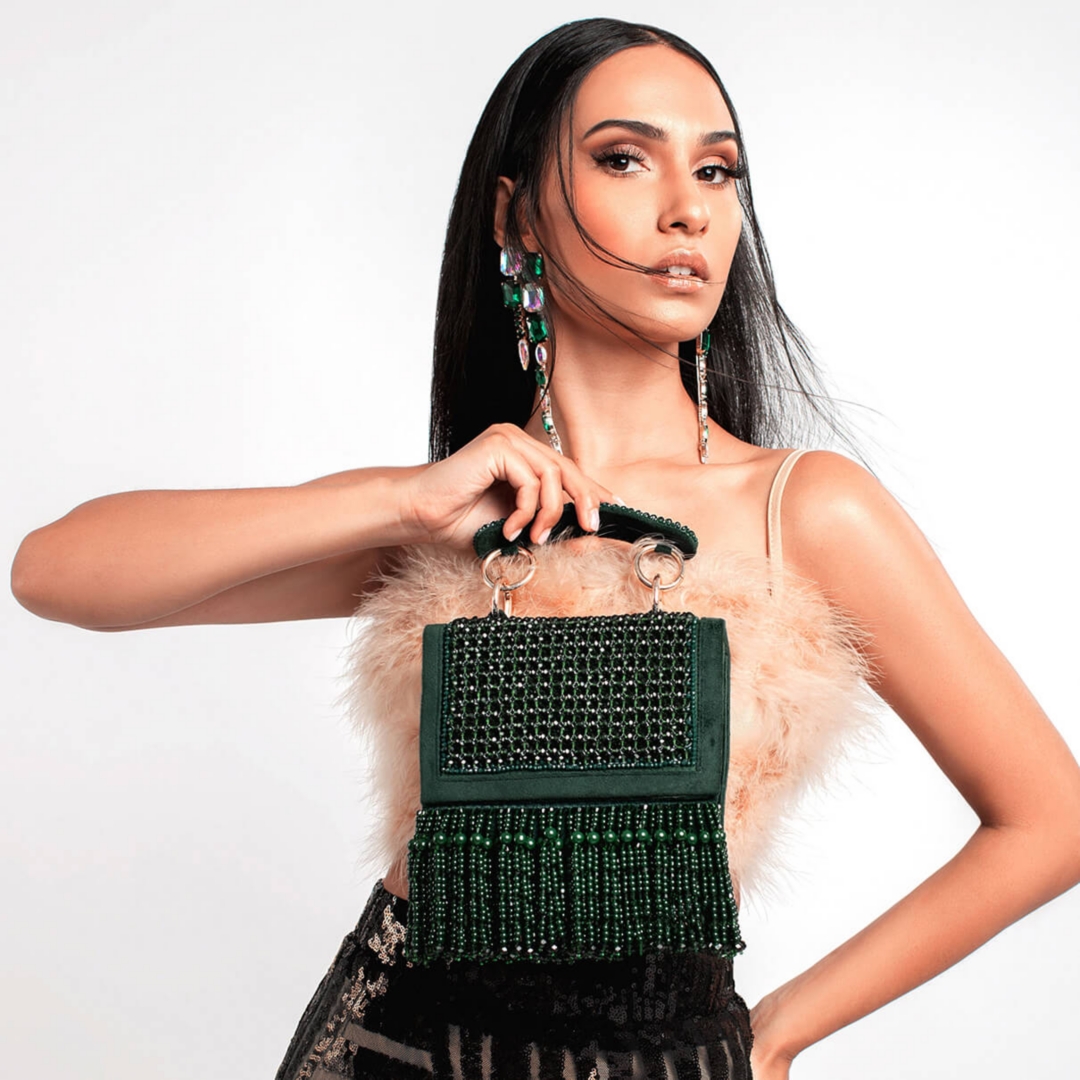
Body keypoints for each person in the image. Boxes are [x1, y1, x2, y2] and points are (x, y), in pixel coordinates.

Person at [10, 16, 1080, 1080]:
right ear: (516, 210)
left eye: (717, 173)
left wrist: (782, 1030)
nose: (688, 212)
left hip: (666, 1051)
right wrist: (400, 500)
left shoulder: (801, 507)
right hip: (391, 1040)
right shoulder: (453, 508)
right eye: (625, 158)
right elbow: (55, 573)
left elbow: (1050, 819)